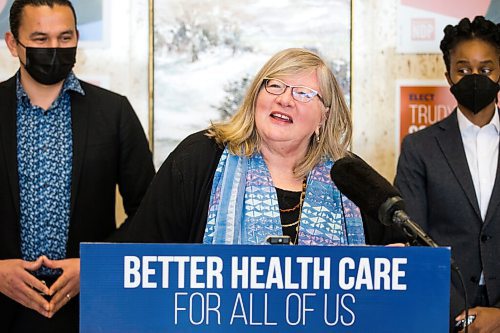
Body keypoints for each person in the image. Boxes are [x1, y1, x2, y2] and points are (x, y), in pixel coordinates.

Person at [118, 48, 391, 247]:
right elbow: (141, 256)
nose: (285, 99)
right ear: (256, 96)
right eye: (275, 86)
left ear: (325, 116)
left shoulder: (350, 175)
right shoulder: (199, 158)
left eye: (303, 93)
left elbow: (402, 253)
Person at [0, 0, 155, 332]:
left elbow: (149, 211)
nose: (54, 48)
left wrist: (96, 266)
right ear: (13, 43)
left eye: (64, 37)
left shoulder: (114, 113)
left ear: (77, 39)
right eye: (40, 39)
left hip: (90, 307)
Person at [395, 16, 500, 333]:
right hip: (442, 311)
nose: (474, 78)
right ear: (448, 76)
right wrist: (460, 314)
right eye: (463, 70)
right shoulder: (419, 147)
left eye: (486, 69)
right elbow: (412, 238)